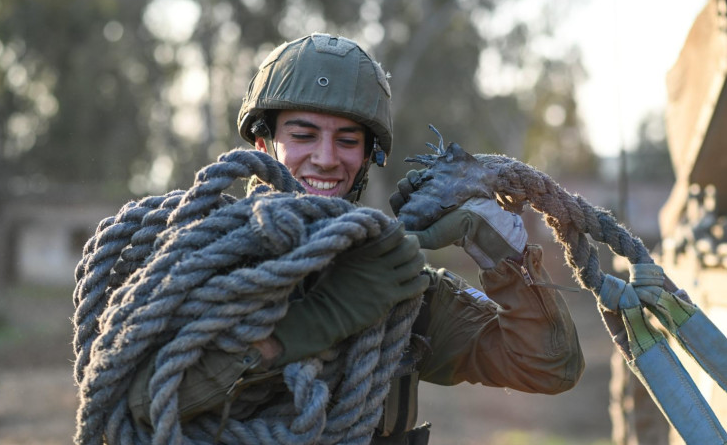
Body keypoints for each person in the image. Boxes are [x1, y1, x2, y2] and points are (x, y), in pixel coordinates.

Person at [128, 33, 585, 444]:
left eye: (348, 141)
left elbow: (548, 365)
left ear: (369, 157)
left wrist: (495, 244)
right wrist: (319, 320)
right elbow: (144, 400)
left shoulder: (396, 287)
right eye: (303, 135)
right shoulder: (189, 265)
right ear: (263, 144)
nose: (326, 159)